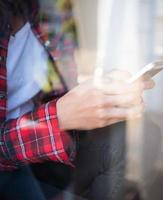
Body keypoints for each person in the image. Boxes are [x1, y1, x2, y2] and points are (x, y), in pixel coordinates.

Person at [0, 0, 154, 199]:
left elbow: (59, 86)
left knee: (144, 133)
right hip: (15, 155)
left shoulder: (54, 8)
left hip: (29, 156)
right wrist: (59, 117)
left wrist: (97, 90)